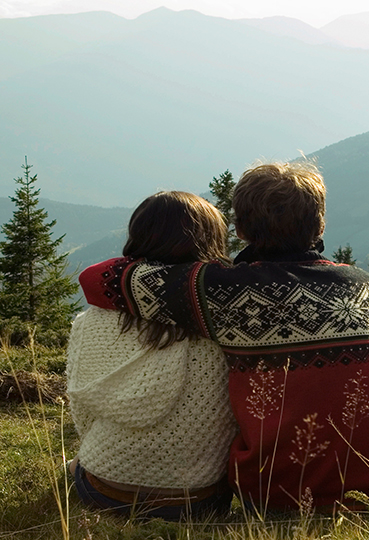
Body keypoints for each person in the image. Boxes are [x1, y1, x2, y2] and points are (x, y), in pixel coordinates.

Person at [80, 162, 369, 513]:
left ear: (241, 229)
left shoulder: (223, 289)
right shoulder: (363, 284)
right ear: (319, 223)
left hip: (275, 493)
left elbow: (97, 278)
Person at [66, 191, 238, 520]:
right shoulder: (225, 321)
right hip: (197, 502)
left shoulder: (93, 320)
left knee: (75, 465)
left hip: (104, 490)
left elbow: (82, 410)